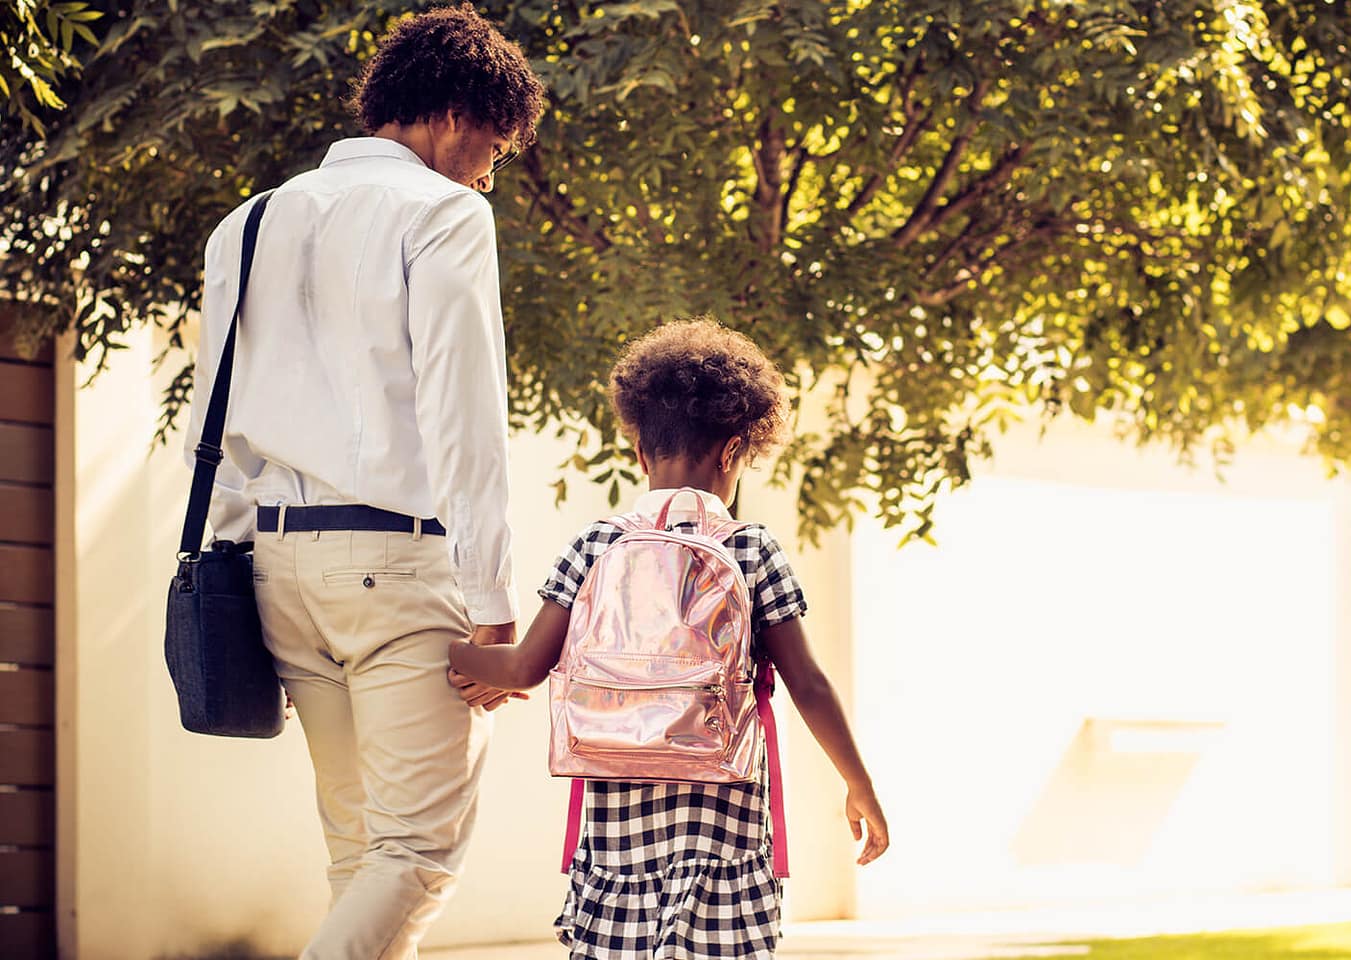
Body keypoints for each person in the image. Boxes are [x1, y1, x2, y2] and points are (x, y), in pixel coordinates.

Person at [181, 5, 544, 957]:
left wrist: (229, 557)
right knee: (419, 853)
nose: (487, 170)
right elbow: (465, 415)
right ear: (456, 114)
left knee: (360, 854)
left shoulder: (246, 224)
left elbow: (211, 424)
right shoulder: (446, 213)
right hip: (394, 565)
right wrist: (491, 596)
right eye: (495, 148)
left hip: (275, 567)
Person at [448, 319, 889, 958]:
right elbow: (809, 684)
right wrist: (860, 786)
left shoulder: (596, 543)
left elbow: (520, 668)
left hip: (618, 832)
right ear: (735, 450)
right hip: (725, 825)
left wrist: (436, 646)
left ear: (639, 453)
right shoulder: (749, 548)